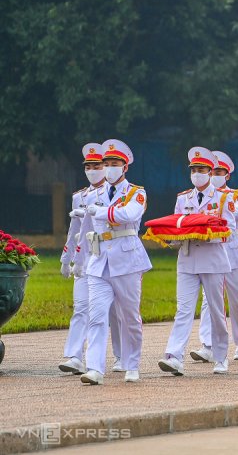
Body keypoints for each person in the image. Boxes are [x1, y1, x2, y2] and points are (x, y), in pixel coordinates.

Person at [79, 139, 152, 385]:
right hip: (99, 261)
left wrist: (100, 212)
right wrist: (80, 259)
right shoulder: (93, 194)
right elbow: (86, 230)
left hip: (127, 260)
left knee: (129, 316)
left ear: (125, 167)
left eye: (115, 163)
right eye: (106, 163)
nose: (109, 168)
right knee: (97, 316)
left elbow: (128, 215)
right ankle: (95, 368)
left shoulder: (136, 192)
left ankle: (131, 364)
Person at [158, 147, 234, 376]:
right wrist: (171, 238)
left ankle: (220, 356)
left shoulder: (223, 198)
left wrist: (205, 230)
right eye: (194, 170)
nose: (197, 174)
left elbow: (229, 229)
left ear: (211, 172)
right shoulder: (183, 198)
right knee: (183, 310)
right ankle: (174, 355)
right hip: (188, 258)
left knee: (216, 310)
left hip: (212, 259)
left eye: (201, 170)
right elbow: (177, 224)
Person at [59, 143, 120, 375]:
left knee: (115, 312)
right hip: (85, 258)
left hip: (110, 257)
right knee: (82, 308)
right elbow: (73, 230)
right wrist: (67, 259)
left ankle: (121, 356)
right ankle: (75, 356)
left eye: (97, 166)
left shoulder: (114, 194)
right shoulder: (79, 197)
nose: (93, 170)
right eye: (89, 166)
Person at [191, 151, 238, 363]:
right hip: (211, 250)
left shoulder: (236, 194)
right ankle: (208, 344)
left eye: (219, 172)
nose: (214, 175)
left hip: (232, 250)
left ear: (227, 175)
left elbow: (237, 212)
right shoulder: (198, 195)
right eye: (212, 171)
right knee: (209, 298)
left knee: (236, 299)